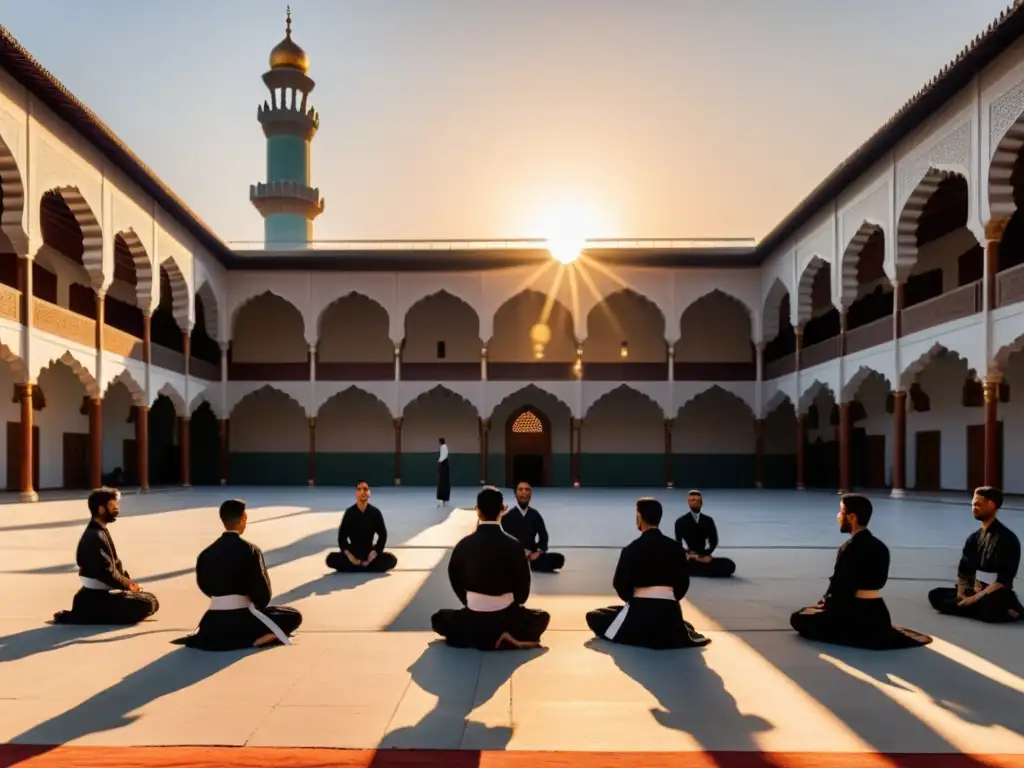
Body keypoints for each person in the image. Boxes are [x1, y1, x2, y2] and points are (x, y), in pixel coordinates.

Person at [790, 494, 931, 649]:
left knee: (799, 618)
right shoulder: (881, 546)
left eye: (841, 512)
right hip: (878, 613)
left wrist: (826, 603)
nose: (838, 517)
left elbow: (840, 587)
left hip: (852, 613)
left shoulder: (848, 548)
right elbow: (879, 582)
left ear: (852, 517)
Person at [431, 485, 550, 650]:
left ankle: (477, 637)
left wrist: (469, 603)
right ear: (503, 510)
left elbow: (455, 577)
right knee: (542, 617)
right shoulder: (514, 546)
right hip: (507, 615)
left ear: (477, 511)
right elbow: (522, 594)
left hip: (473, 614)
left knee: (438, 619)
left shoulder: (463, 545)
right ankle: (503, 636)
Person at [177, 499, 302, 650]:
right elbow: (262, 592)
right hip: (243, 618)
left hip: (213, 621)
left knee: (222, 628)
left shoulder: (206, 553)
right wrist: (252, 604)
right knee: (293, 615)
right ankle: (259, 638)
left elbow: (204, 586)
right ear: (244, 518)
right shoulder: (250, 550)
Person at [586, 497, 710, 649]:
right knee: (682, 623)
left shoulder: (631, 549)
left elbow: (620, 585)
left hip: (639, 613)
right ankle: (671, 628)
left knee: (595, 616)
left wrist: (637, 602)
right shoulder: (676, 548)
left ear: (639, 517)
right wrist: (667, 600)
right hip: (669, 611)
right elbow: (683, 585)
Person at [53, 487, 159, 625]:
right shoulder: (95, 536)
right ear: (101, 509)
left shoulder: (99, 530)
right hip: (95, 598)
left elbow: (116, 565)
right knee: (148, 603)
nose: (117, 509)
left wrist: (129, 583)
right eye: (113, 506)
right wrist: (129, 585)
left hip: (99, 594)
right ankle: (92, 614)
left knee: (151, 599)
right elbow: (108, 574)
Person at [928, 487, 1022, 624]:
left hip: (994, 593)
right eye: (973, 504)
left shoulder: (1008, 539)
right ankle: (1005, 611)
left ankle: (1006, 608)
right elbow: (964, 570)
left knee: (990, 607)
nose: (974, 508)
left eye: (978, 504)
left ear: (991, 505)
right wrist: (961, 594)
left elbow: (1003, 581)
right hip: (974, 589)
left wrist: (973, 599)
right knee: (935, 595)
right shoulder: (974, 538)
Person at [325, 482, 398, 573]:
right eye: (359, 489)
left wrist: (374, 553)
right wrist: (350, 556)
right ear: (356, 493)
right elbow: (342, 538)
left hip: (369, 552)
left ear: (369, 493)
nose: (362, 492)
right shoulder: (350, 513)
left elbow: (383, 535)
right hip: (353, 552)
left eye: (365, 489)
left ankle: (359, 566)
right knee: (330, 559)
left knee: (391, 560)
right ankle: (362, 566)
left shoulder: (375, 512)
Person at [501, 481, 565, 572]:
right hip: (514, 554)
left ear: (530, 494)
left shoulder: (535, 515)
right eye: (520, 490)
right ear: (515, 494)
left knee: (559, 558)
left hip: (532, 554)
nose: (524, 492)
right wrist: (521, 552)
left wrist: (539, 552)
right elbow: (505, 540)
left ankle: (530, 563)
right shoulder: (507, 517)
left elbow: (543, 536)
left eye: (527, 490)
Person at [673, 490, 736, 578]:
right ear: (688, 502)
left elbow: (713, 541)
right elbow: (678, 544)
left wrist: (705, 554)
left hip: (704, 556)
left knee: (730, 564)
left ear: (701, 503)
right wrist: (693, 556)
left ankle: (696, 569)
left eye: (698, 501)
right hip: (689, 557)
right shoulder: (680, 522)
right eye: (692, 500)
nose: (695, 502)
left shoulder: (708, 520)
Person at [437, 437, 450, 507]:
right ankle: (445, 497)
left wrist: (439, 461)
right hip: (445, 465)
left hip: (444, 465)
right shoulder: (445, 447)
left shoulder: (443, 447)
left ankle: (442, 497)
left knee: (442, 481)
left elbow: (443, 456)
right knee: (445, 481)